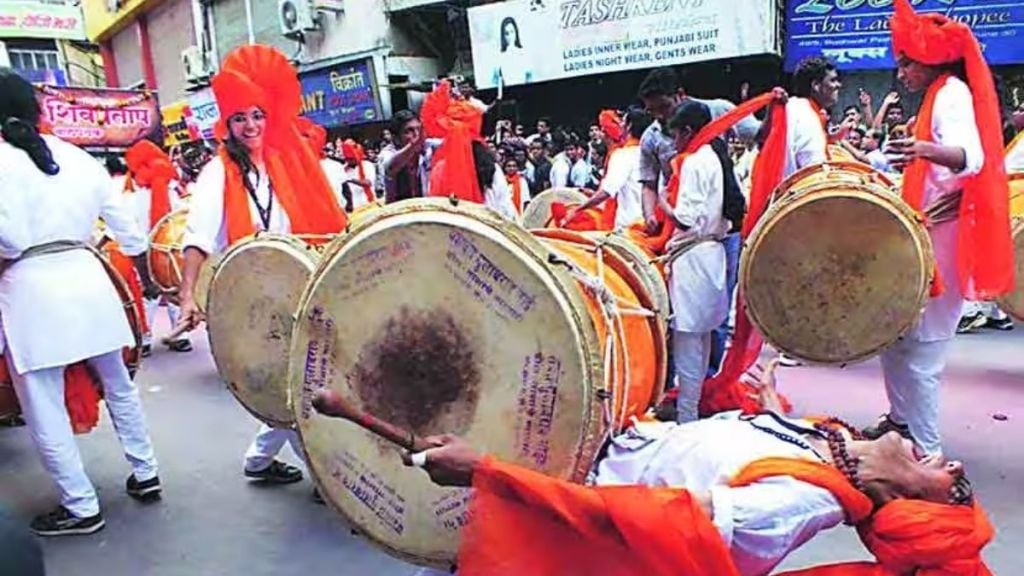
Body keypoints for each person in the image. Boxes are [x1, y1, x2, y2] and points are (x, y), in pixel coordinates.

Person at [314, 366, 989, 576]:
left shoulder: (790, 504)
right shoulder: (828, 442)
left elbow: (626, 521)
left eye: (952, 485)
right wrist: (753, 400)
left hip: (571, 528)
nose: (952, 460)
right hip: (599, 446)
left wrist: (490, 472)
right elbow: (723, 445)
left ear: (909, 501)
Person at [176, 45, 347, 488]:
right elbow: (196, 237)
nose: (250, 126)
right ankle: (325, 476)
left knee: (301, 378)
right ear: (227, 125)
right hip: (252, 298)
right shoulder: (217, 174)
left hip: (299, 287)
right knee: (290, 384)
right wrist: (185, 295)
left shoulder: (288, 164)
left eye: (256, 115)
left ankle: (259, 460)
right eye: (239, 119)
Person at [0, 69, 161, 536]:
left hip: (31, 288)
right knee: (119, 384)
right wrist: (149, 283)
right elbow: (130, 234)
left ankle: (81, 505)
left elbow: (7, 238)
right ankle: (146, 472)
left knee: (43, 404)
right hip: (89, 280)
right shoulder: (77, 157)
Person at [864, 0, 1013, 457]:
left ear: (931, 61)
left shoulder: (951, 94)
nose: (901, 71)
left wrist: (924, 149)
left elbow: (973, 157)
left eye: (907, 62)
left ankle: (929, 457)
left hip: (942, 240)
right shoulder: (934, 97)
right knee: (895, 336)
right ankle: (901, 425)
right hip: (922, 234)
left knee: (924, 352)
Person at [658, 101, 743, 422]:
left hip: (693, 257)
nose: (675, 143)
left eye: (676, 135)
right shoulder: (717, 157)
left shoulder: (695, 161)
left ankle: (687, 417)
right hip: (712, 255)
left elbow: (686, 219)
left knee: (688, 341)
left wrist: (665, 203)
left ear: (688, 132)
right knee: (703, 337)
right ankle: (690, 409)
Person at [122, 140, 193, 354]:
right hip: (172, 251)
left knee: (147, 294)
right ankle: (180, 336)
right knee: (175, 291)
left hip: (142, 254)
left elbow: (124, 229)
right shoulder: (172, 188)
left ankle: (143, 340)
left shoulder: (131, 196)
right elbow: (183, 217)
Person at [562, 108, 652, 229]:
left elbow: (607, 192)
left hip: (629, 226)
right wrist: (594, 194)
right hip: (649, 222)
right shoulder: (649, 152)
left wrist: (578, 209)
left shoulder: (623, 155)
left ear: (629, 126)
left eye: (622, 122)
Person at [784, 56, 839, 179]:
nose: (838, 85)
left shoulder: (795, 107)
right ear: (816, 86)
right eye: (833, 80)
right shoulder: (806, 116)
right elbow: (814, 170)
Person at [380, 110, 429, 203]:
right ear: (396, 138)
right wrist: (413, 145)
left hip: (427, 209)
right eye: (409, 131)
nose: (417, 134)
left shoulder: (428, 146)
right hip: (398, 213)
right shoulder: (387, 153)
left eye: (419, 129)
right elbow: (391, 167)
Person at [339, 139, 377, 212]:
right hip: (354, 208)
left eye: (351, 159)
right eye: (347, 159)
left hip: (369, 205)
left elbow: (368, 183)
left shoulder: (367, 165)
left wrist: (350, 179)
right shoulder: (343, 169)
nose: (348, 161)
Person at [495, 16, 531, 86]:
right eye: (507, 33)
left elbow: (529, 77)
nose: (510, 36)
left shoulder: (523, 53)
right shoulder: (500, 57)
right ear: (503, 35)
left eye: (512, 32)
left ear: (516, 32)